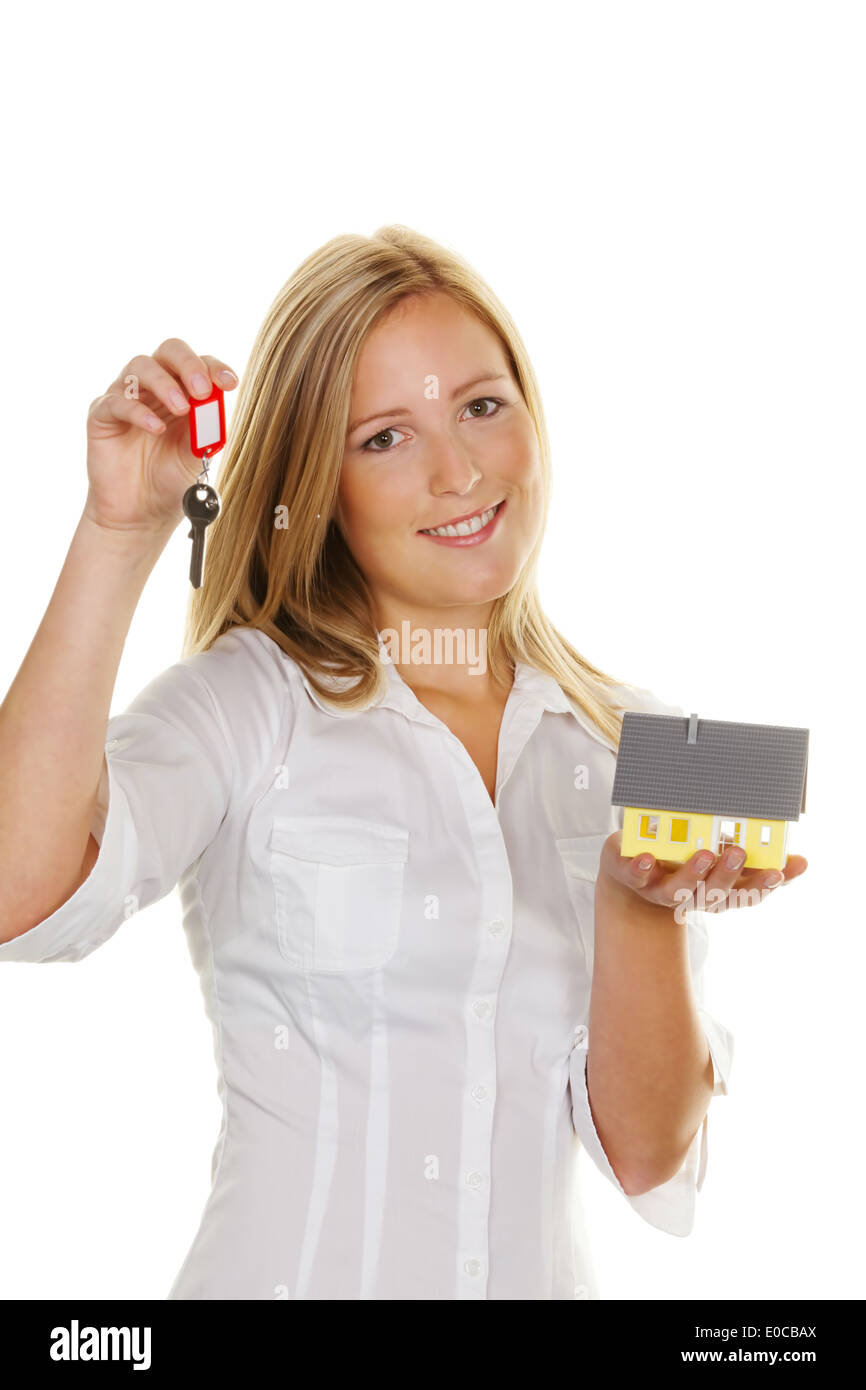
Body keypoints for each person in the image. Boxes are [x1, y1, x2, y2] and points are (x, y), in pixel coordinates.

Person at [0, 225, 807, 1300]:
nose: (458, 469)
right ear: (316, 484)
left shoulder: (640, 742)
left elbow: (650, 1157)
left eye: (480, 405)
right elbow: (16, 891)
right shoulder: (253, 704)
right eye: (384, 437)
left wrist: (636, 904)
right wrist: (119, 530)